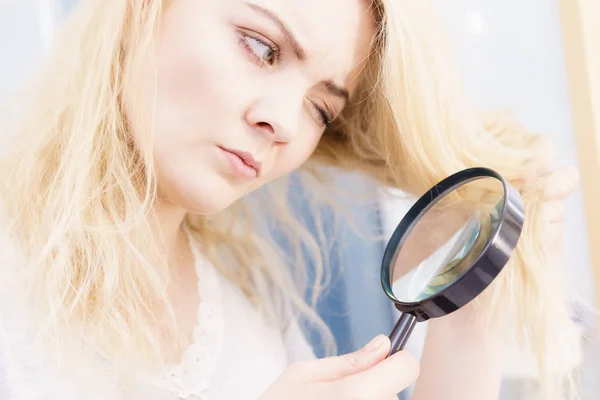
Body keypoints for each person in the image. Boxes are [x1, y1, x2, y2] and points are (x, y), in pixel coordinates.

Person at [0, 0, 581, 399]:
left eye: (321, 109)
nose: (282, 122)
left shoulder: (251, 306)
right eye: (260, 47)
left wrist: (471, 300)